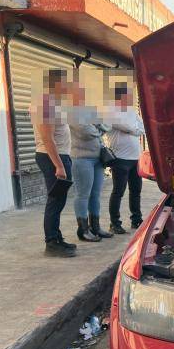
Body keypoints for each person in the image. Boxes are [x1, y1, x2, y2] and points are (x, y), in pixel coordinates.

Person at [32, 69, 77, 258]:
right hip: (52, 157)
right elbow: (47, 138)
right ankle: (51, 242)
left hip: (59, 156)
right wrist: (58, 165)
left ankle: (56, 237)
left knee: (59, 200)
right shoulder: (44, 106)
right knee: (55, 200)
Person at [68, 83, 113, 242]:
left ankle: (96, 227)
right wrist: (99, 128)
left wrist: (98, 126)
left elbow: (108, 124)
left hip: (98, 158)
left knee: (95, 194)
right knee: (82, 194)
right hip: (82, 159)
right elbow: (86, 132)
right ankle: (83, 229)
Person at [105, 83, 145, 234]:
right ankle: (114, 223)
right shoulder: (110, 112)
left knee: (136, 191)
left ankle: (136, 220)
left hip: (135, 158)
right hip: (120, 158)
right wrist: (133, 129)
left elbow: (142, 128)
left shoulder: (132, 111)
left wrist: (132, 129)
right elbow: (126, 126)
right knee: (118, 191)